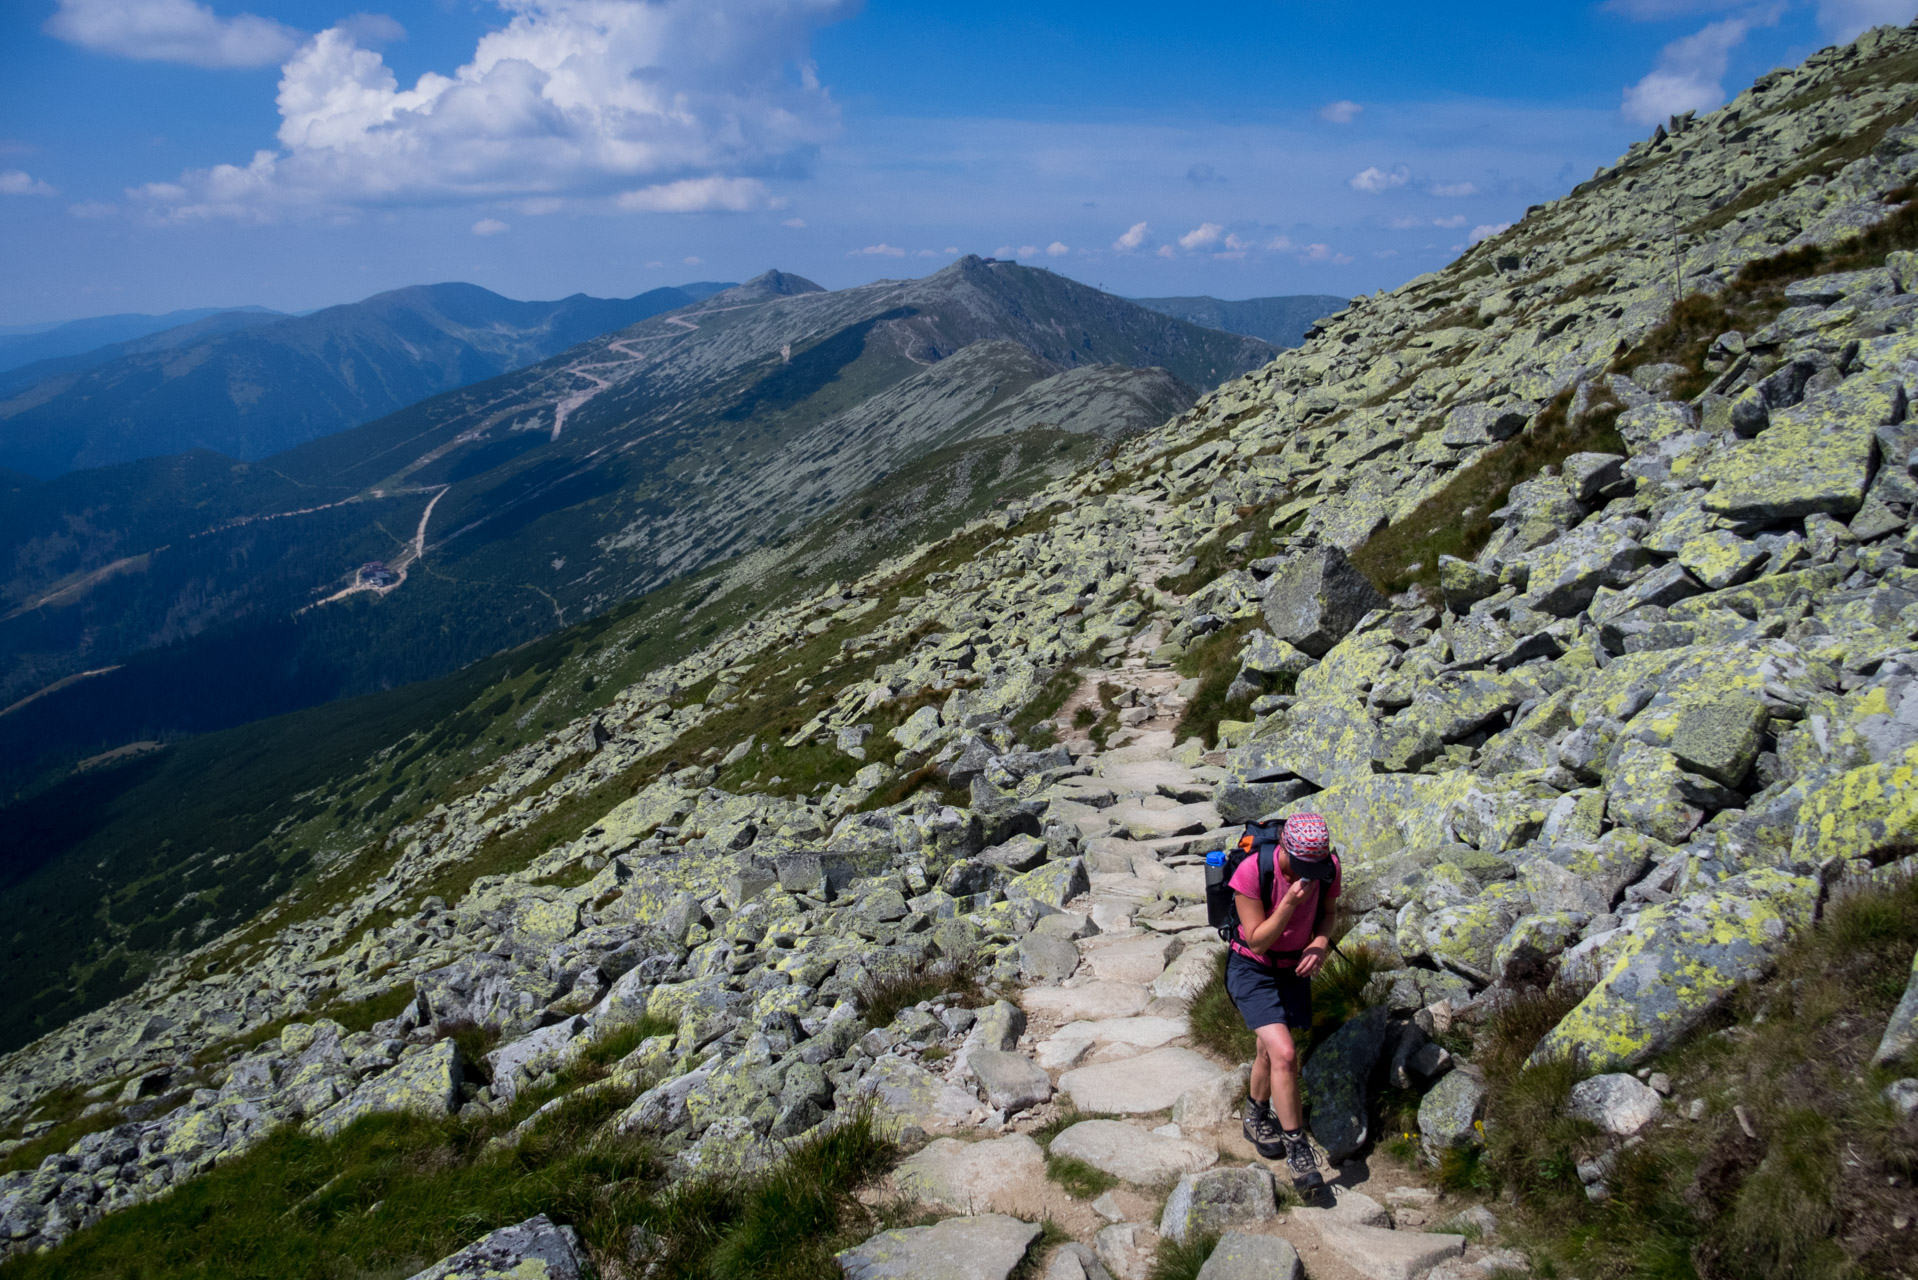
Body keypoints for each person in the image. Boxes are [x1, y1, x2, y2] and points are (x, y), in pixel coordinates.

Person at [1225, 812, 1340, 1188]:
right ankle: (1298, 1153)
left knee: (1268, 1051)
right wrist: (1289, 902)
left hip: (1293, 969)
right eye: (1302, 865)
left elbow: (1328, 913)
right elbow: (1257, 939)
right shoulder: (1251, 872)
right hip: (1251, 968)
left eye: (1316, 865)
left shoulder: (1327, 867)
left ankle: (1254, 1117)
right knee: (1286, 1053)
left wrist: (1321, 942)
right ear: (1285, 850)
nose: (1309, 873)